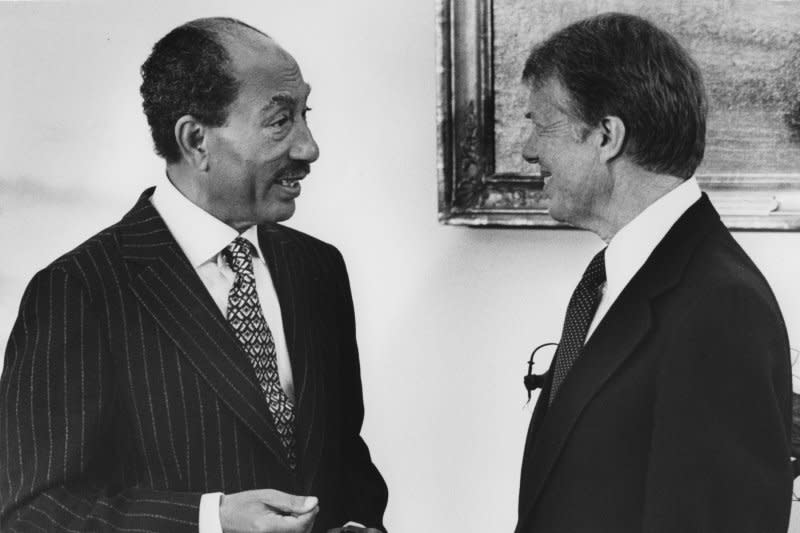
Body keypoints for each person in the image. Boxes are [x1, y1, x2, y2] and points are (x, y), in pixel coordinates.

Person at [0, 17, 387, 533]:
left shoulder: (318, 268)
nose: (308, 147)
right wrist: (210, 520)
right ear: (195, 140)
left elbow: (344, 457)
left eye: (304, 114)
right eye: (280, 121)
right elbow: (33, 513)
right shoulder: (78, 290)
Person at [516, 13, 793, 533]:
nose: (528, 149)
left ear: (606, 136)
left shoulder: (721, 306)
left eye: (540, 124)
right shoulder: (620, 278)